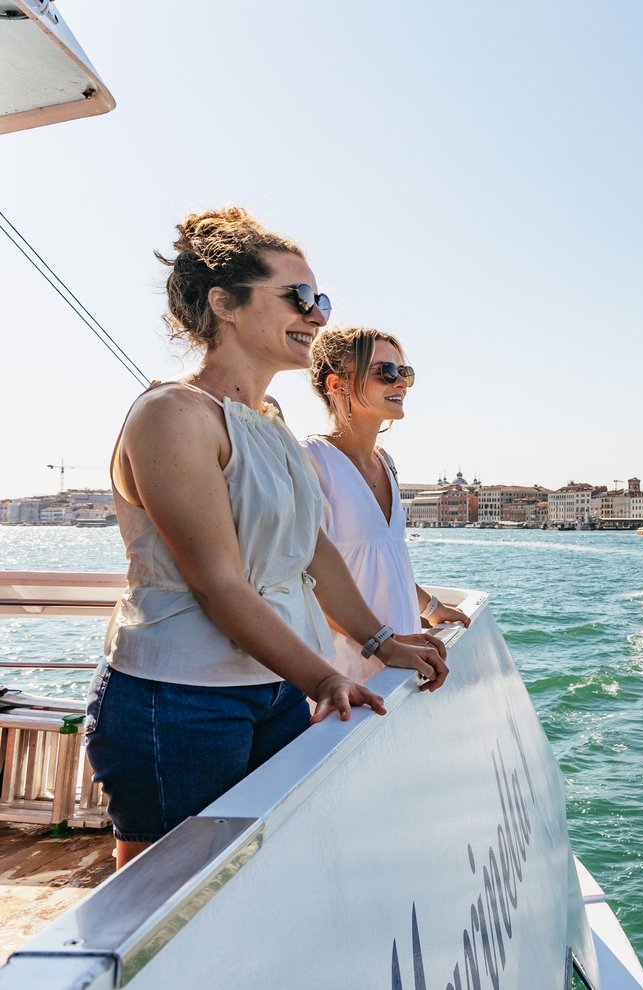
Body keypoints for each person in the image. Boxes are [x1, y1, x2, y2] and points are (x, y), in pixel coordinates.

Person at [86, 208, 449, 869]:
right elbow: (219, 584)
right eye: (298, 297)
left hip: (275, 687)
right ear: (223, 303)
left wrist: (380, 642)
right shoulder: (173, 415)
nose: (317, 316)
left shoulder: (270, 420)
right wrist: (323, 679)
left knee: (266, 875)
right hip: (178, 700)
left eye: (322, 301)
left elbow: (312, 552)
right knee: (168, 901)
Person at [302, 327, 469, 684]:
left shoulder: (386, 462)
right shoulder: (309, 461)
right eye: (386, 373)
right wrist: (383, 642)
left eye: (404, 373)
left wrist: (433, 609)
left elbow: (384, 561)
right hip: (344, 672)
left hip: (401, 660)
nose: (401, 383)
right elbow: (304, 583)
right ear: (337, 385)